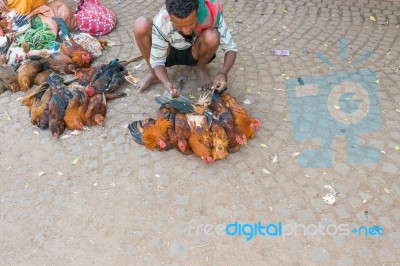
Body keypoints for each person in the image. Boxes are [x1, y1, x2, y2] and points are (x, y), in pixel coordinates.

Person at [133, 0, 237, 97]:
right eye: (179, 25)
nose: (186, 30)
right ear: (169, 16)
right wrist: (166, 82)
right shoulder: (162, 21)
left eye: (191, 23)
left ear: (198, 10)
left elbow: (230, 47)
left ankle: (200, 69)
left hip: (196, 51)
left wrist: (223, 74)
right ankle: (154, 74)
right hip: (169, 52)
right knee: (140, 24)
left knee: (212, 36)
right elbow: (157, 60)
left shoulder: (210, 13)